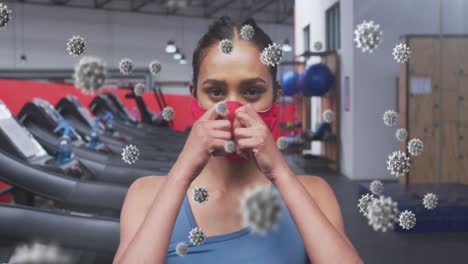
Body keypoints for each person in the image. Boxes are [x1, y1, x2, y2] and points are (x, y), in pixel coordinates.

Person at [113, 16, 362, 264]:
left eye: (252, 92)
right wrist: (181, 173)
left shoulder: (314, 194)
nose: (232, 109)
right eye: (215, 92)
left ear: (276, 95)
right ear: (194, 95)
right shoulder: (145, 196)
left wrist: (281, 173)